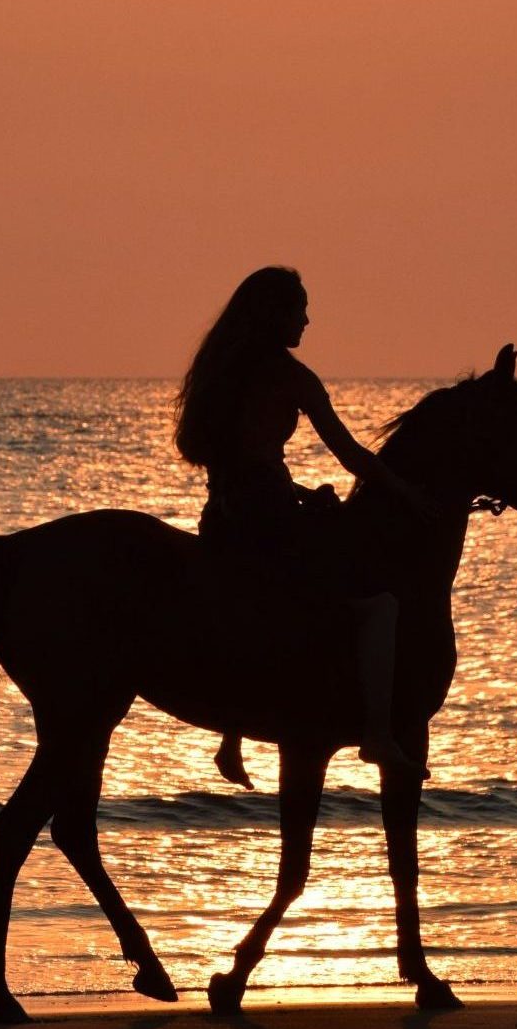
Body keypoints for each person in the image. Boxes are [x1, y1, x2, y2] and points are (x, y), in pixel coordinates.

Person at [174, 266, 430, 787]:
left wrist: (295, 490)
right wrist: (405, 492)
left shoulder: (220, 371)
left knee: (256, 611)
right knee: (379, 606)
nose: (308, 319)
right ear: (276, 315)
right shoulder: (290, 376)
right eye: (300, 309)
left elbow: (232, 463)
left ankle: (233, 735)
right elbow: (352, 455)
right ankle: (378, 734)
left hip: (221, 523)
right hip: (269, 525)